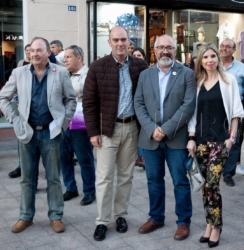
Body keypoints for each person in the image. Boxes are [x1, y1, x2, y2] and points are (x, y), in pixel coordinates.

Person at [0, 37, 76, 233]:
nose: (34, 54)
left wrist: (63, 122)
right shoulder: (19, 73)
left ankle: (56, 216)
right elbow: (3, 98)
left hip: (52, 133)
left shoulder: (60, 72)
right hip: (28, 133)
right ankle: (26, 217)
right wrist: (15, 121)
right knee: (27, 178)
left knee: (53, 178)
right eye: (32, 51)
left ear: (47, 53)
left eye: (39, 50)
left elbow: (70, 100)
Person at [83, 27, 148, 241]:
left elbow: (147, 98)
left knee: (125, 177)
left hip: (131, 128)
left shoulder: (140, 66)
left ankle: (121, 215)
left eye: (124, 40)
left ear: (129, 42)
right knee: (104, 178)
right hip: (107, 130)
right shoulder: (97, 67)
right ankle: (102, 220)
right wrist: (93, 132)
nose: (120, 43)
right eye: (116, 40)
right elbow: (89, 103)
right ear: (109, 42)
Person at [134, 34, 196, 240]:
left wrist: (166, 129)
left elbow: (188, 106)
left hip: (176, 138)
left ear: (175, 50)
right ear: (154, 50)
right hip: (150, 138)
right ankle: (156, 217)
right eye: (161, 47)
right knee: (153, 180)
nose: (165, 51)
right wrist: (152, 129)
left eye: (169, 47)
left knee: (180, 181)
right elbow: (139, 104)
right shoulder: (145, 75)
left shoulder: (186, 74)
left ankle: (183, 222)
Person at [187, 43, 244, 248]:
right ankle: (209, 225)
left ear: (218, 59)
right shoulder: (197, 82)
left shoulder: (229, 80)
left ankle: (217, 226)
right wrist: (191, 138)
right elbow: (193, 114)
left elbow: (237, 111)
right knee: (204, 185)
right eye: (205, 57)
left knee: (212, 184)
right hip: (201, 141)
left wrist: (232, 138)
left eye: (213, 56)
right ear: (200, 61)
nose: (210, 60)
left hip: (221, 141)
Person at [219, 38, 244, 187]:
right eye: (222, 46)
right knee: (216, 140)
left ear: (234, 50)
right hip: (217, 106)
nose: (224, 49)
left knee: (234, 140)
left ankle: (228, 173)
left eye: (227, 47)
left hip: (236, 106)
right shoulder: (213, 64)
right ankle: (215, 167)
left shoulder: (242, 68)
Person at [60, 45, 96, 206]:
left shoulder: (89, 75)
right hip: (63, 122)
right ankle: (70, 188)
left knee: (84, 158)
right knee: (64, 157)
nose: (65, 59)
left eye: (68, 57)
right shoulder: (63, 75)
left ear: (79, 58)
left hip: (81, 122)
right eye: (64, 57)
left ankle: (89, 191)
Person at [8, 44, 32, 179]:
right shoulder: (21, 64)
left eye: (32, 50)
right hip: (22, 104)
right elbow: (15, 84)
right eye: (27, 50)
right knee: (22, 138)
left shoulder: (45, 65)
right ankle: (21, 166)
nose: (30, 52)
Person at [132, 47, 147, 169]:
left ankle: (142, 157)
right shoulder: (129, 70)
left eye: (139, 55)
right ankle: (139, 156)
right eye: (134, 55)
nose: (137, 57)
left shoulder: (148, 72)